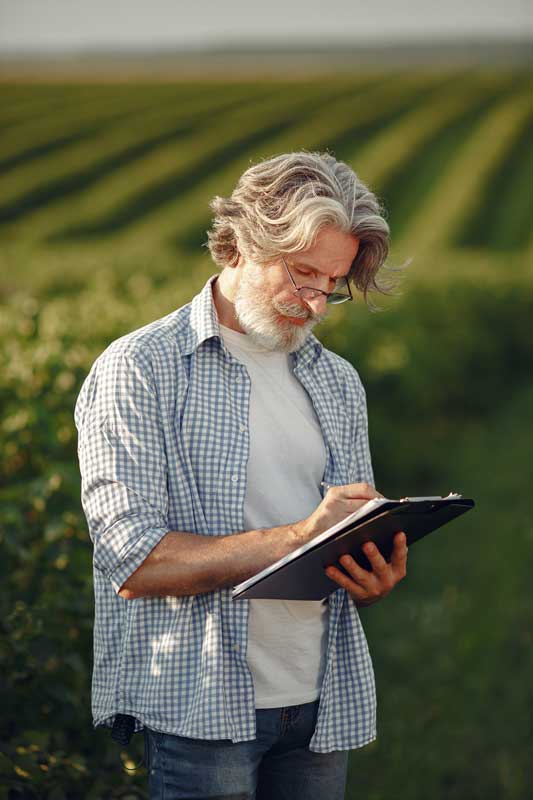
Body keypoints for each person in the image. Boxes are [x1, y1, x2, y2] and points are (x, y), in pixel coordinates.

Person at [74, 150, 408, 800]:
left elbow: (342, 537)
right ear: (238, 243)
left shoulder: (335, 382)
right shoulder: (140, 369)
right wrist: (300, 535)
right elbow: (134, 563)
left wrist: (370, 573)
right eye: (301, 274)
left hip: (317, 703)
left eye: (330, 284)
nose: (313, 303)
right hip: (199, 705)